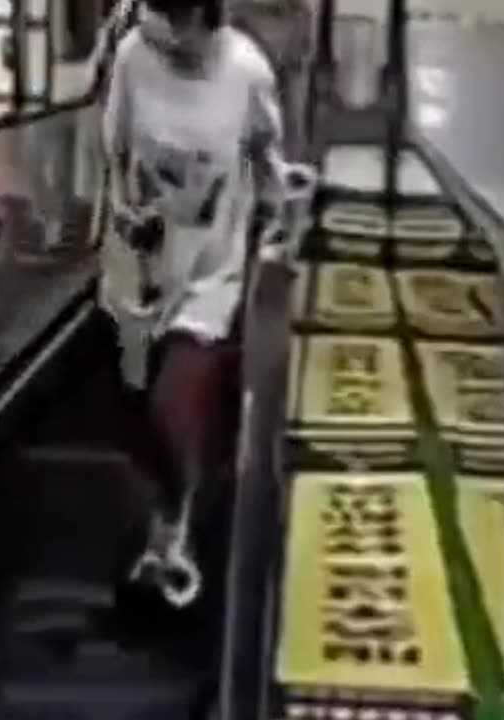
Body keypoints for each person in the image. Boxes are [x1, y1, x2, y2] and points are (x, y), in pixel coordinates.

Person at [101, 0, 291, 608]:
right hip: (141, 263)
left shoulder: (247, 72)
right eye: (167, 18)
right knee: (137, 415)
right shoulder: (133, 58)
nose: (175, 35)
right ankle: (165, 520)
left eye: (187, 23)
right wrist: (120, 216)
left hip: (212, 269)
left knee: (176, 393)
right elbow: (112, 149)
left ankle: (175, 539)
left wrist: (278, 218)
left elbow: (266, 156)